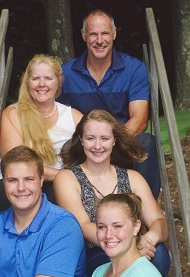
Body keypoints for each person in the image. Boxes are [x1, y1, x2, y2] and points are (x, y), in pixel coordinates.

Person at [58, 9, 160, 200]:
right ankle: (74, 219)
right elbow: (55, 117)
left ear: (113, 34)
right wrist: (91, 146)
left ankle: (146, 212)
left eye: (104, 33)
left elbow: (139, 119)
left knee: (146, 142)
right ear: (84, 36)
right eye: (93, 34)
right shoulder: (66, 73)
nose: (99, 40)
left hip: (121, 144)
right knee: (62, 147)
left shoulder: (133, 69)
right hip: (82, 147)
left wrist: (108, 144)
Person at [53, 109, 170, 277]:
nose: (98, 146)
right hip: (96, 252)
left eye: (105, 138)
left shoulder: (133, 177)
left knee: (158, 253)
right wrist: (123, 245)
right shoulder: (67, 178)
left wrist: (149, 238)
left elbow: (159, 221)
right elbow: (83, 225)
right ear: (81, 140)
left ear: (114, 140)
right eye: (90, 138)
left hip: (134, 246)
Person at [0, 146, 87, 277]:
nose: (21, 188)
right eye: (12, 180)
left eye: (29, 179)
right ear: (3, 182)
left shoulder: (63, 226)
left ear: (41, 180)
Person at [0, 54, 83, 211]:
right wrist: (64, 177)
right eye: (35, 79)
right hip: (18, 184)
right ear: (27, 83)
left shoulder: (73, 116)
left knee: (63, 195)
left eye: (48, 78)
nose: (41, 84)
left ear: (58, 83)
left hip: (57, 183)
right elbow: (16, 164)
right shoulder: (13, 114)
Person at [92, 193, 162, 277]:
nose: (108, 235)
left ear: (136, 226)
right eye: (102, 227)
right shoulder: (99, 271)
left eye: (117, 226)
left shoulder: (144, 274)